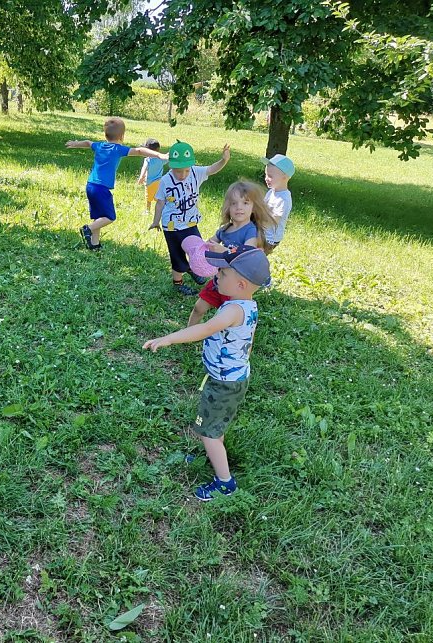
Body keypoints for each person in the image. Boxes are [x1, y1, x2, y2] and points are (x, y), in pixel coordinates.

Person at [143, 246, 271, 501]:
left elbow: (204, 329)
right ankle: (213, 454)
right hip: (233, 378)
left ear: (241, 284)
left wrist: (169, 338)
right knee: (215, 425)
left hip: (224, 383)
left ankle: (225, 482)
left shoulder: (232, 311)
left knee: (207, 432)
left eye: (222, 273)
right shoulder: (248, 305)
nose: (216, 276)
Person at [66, 117, 167, 250]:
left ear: (105, 134)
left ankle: (94, 245)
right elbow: (139, 151)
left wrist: (75, 144)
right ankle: (87, 229)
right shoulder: (117, 149)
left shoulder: (99, 146)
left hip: (90, 185)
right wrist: (159, 155)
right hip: (101, 188)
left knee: (99, 216)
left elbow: (88, 143)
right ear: (121, 136)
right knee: (109, 217)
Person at [187, 180, 276, 325]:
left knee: (227, 321)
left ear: (253, 207)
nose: (239, 207)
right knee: (198, 308)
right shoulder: (225, 229)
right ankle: (189, 333)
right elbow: (209, 244)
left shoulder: (250, 231)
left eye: (245, 203)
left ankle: (228, 338)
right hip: (219, 279)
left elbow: (247, 255)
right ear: (228, 207)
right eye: (234, 203)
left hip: (236, 286)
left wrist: (224, 251)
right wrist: (198, 249)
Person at [149, 141, 230, 295]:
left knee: (197, 249)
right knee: (177, 255)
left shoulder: (195, 172)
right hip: (172, 226)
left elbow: (211, 169)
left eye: (186, 170)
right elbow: (160, 203)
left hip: (191, 223)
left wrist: (224, 160)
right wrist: (155, 221)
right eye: (178, 171)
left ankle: (193, 268)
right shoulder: (166, 180)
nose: (183, 175)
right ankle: (178, 283)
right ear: (171, 166)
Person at [261, 154, 295, 253]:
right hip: (262, 233)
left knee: (252, 257)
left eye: (270, 176)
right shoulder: (271, 191)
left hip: (269, 239)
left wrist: (254, 222)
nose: (266, 178)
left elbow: (273, 219)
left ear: (284, 177)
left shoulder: (283, 199)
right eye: (266, 175)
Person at [136, 138, 166, 216]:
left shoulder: (148, 160)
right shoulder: (161, 159)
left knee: (148, 198)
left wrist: (141, 177)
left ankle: (147, 211)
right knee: (158, 197)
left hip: (149, 183)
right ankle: (162, 209)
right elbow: (168, 158)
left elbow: (144, 168)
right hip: (159, 182)